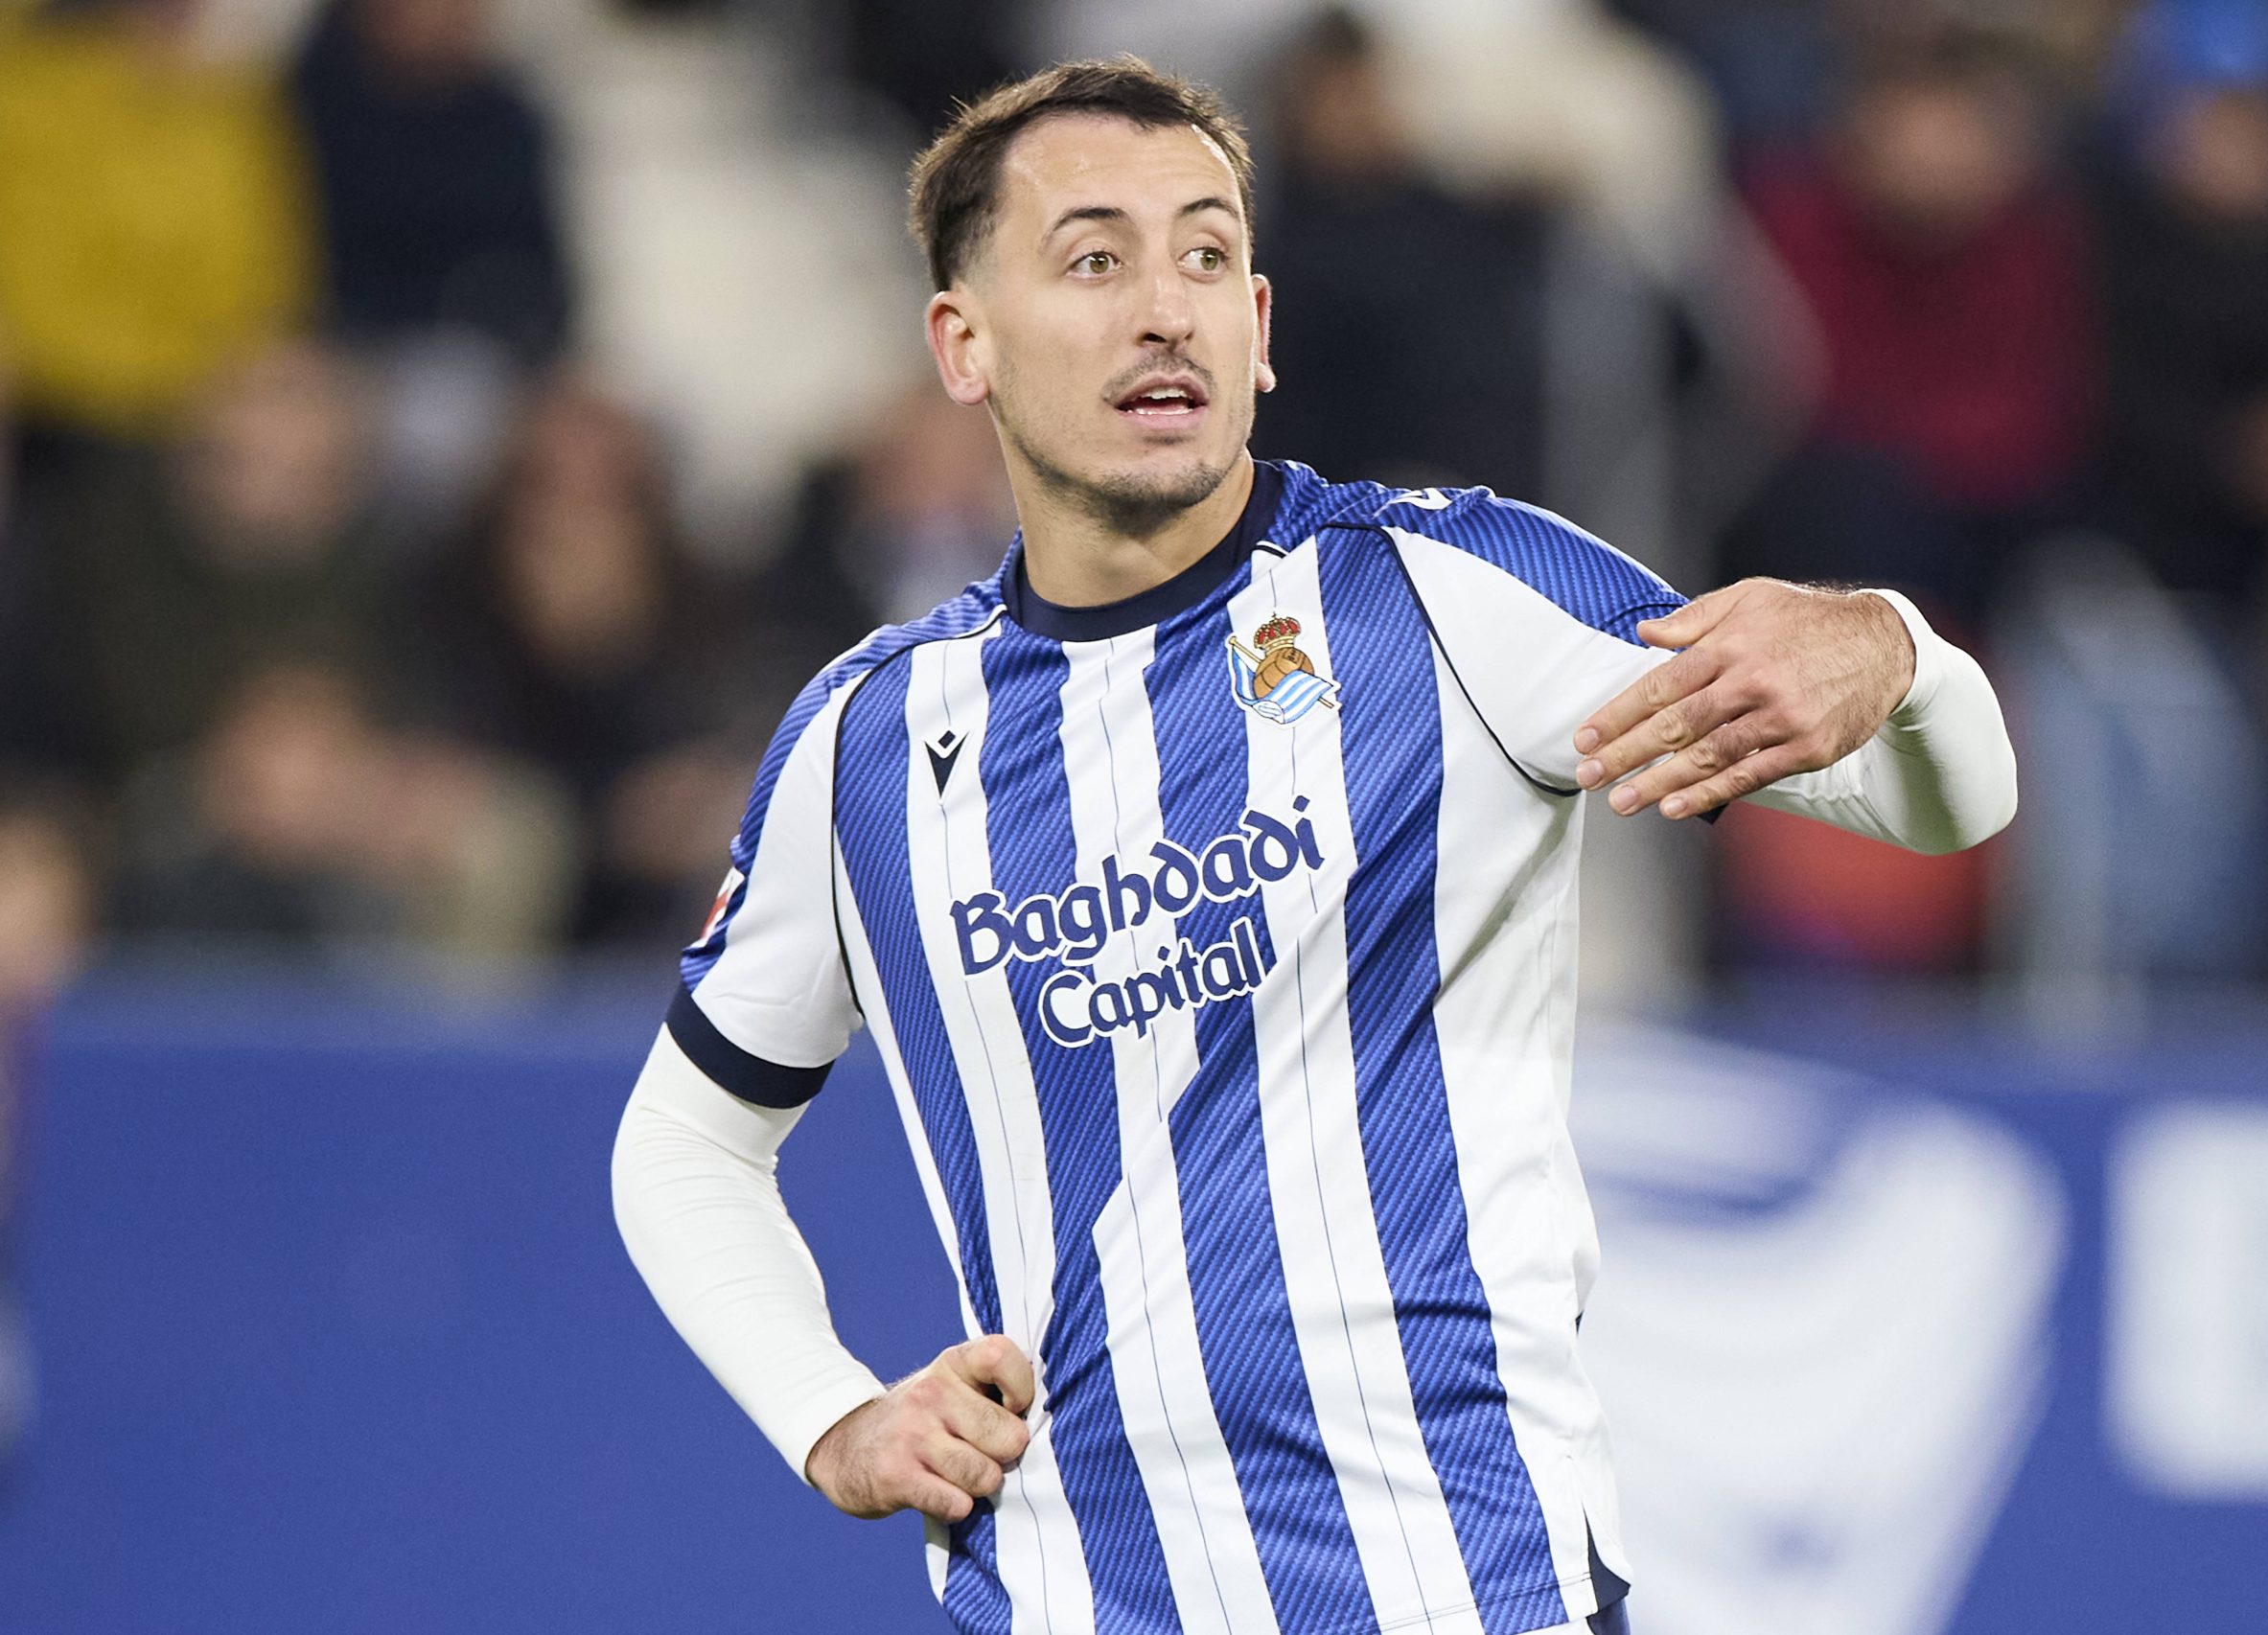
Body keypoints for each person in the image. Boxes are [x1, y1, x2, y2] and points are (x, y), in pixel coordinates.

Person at [612, 58, 2017, 1635]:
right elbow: (683, 1143)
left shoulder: (1445, 597)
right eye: (1095, 259)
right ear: (964, 343)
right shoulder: (871, 742)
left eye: (1206, 255)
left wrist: (1892, 649)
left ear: (1262, 329)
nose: (1167, 307)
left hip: (1468, 1597)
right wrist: (832, 1414)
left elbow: (1947, 804)